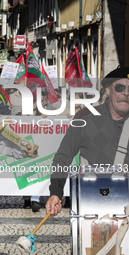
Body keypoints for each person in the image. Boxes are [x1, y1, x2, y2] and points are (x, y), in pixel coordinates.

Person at [46, 67, 129, 216]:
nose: (126, 93)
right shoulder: (85, 117)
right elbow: (63, 157)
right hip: (93, 202)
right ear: (108, 90)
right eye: (120, 87)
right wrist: (56, 193)